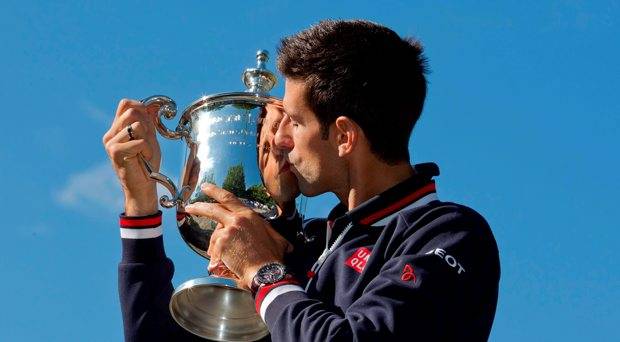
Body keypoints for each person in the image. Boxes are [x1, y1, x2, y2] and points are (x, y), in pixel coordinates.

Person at [186, 20, 500, 341]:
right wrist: (142, 213)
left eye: (294, 121)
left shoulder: (450, 235)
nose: (281, 138)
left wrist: (263, 272)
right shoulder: (313, 243)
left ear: (344, 137)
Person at [103, 100, 315, 341]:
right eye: (262, 145)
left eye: (292, 126)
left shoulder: (329, 251)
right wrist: (139, 198)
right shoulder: (219, 310)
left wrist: (263, 271)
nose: (279, 143)